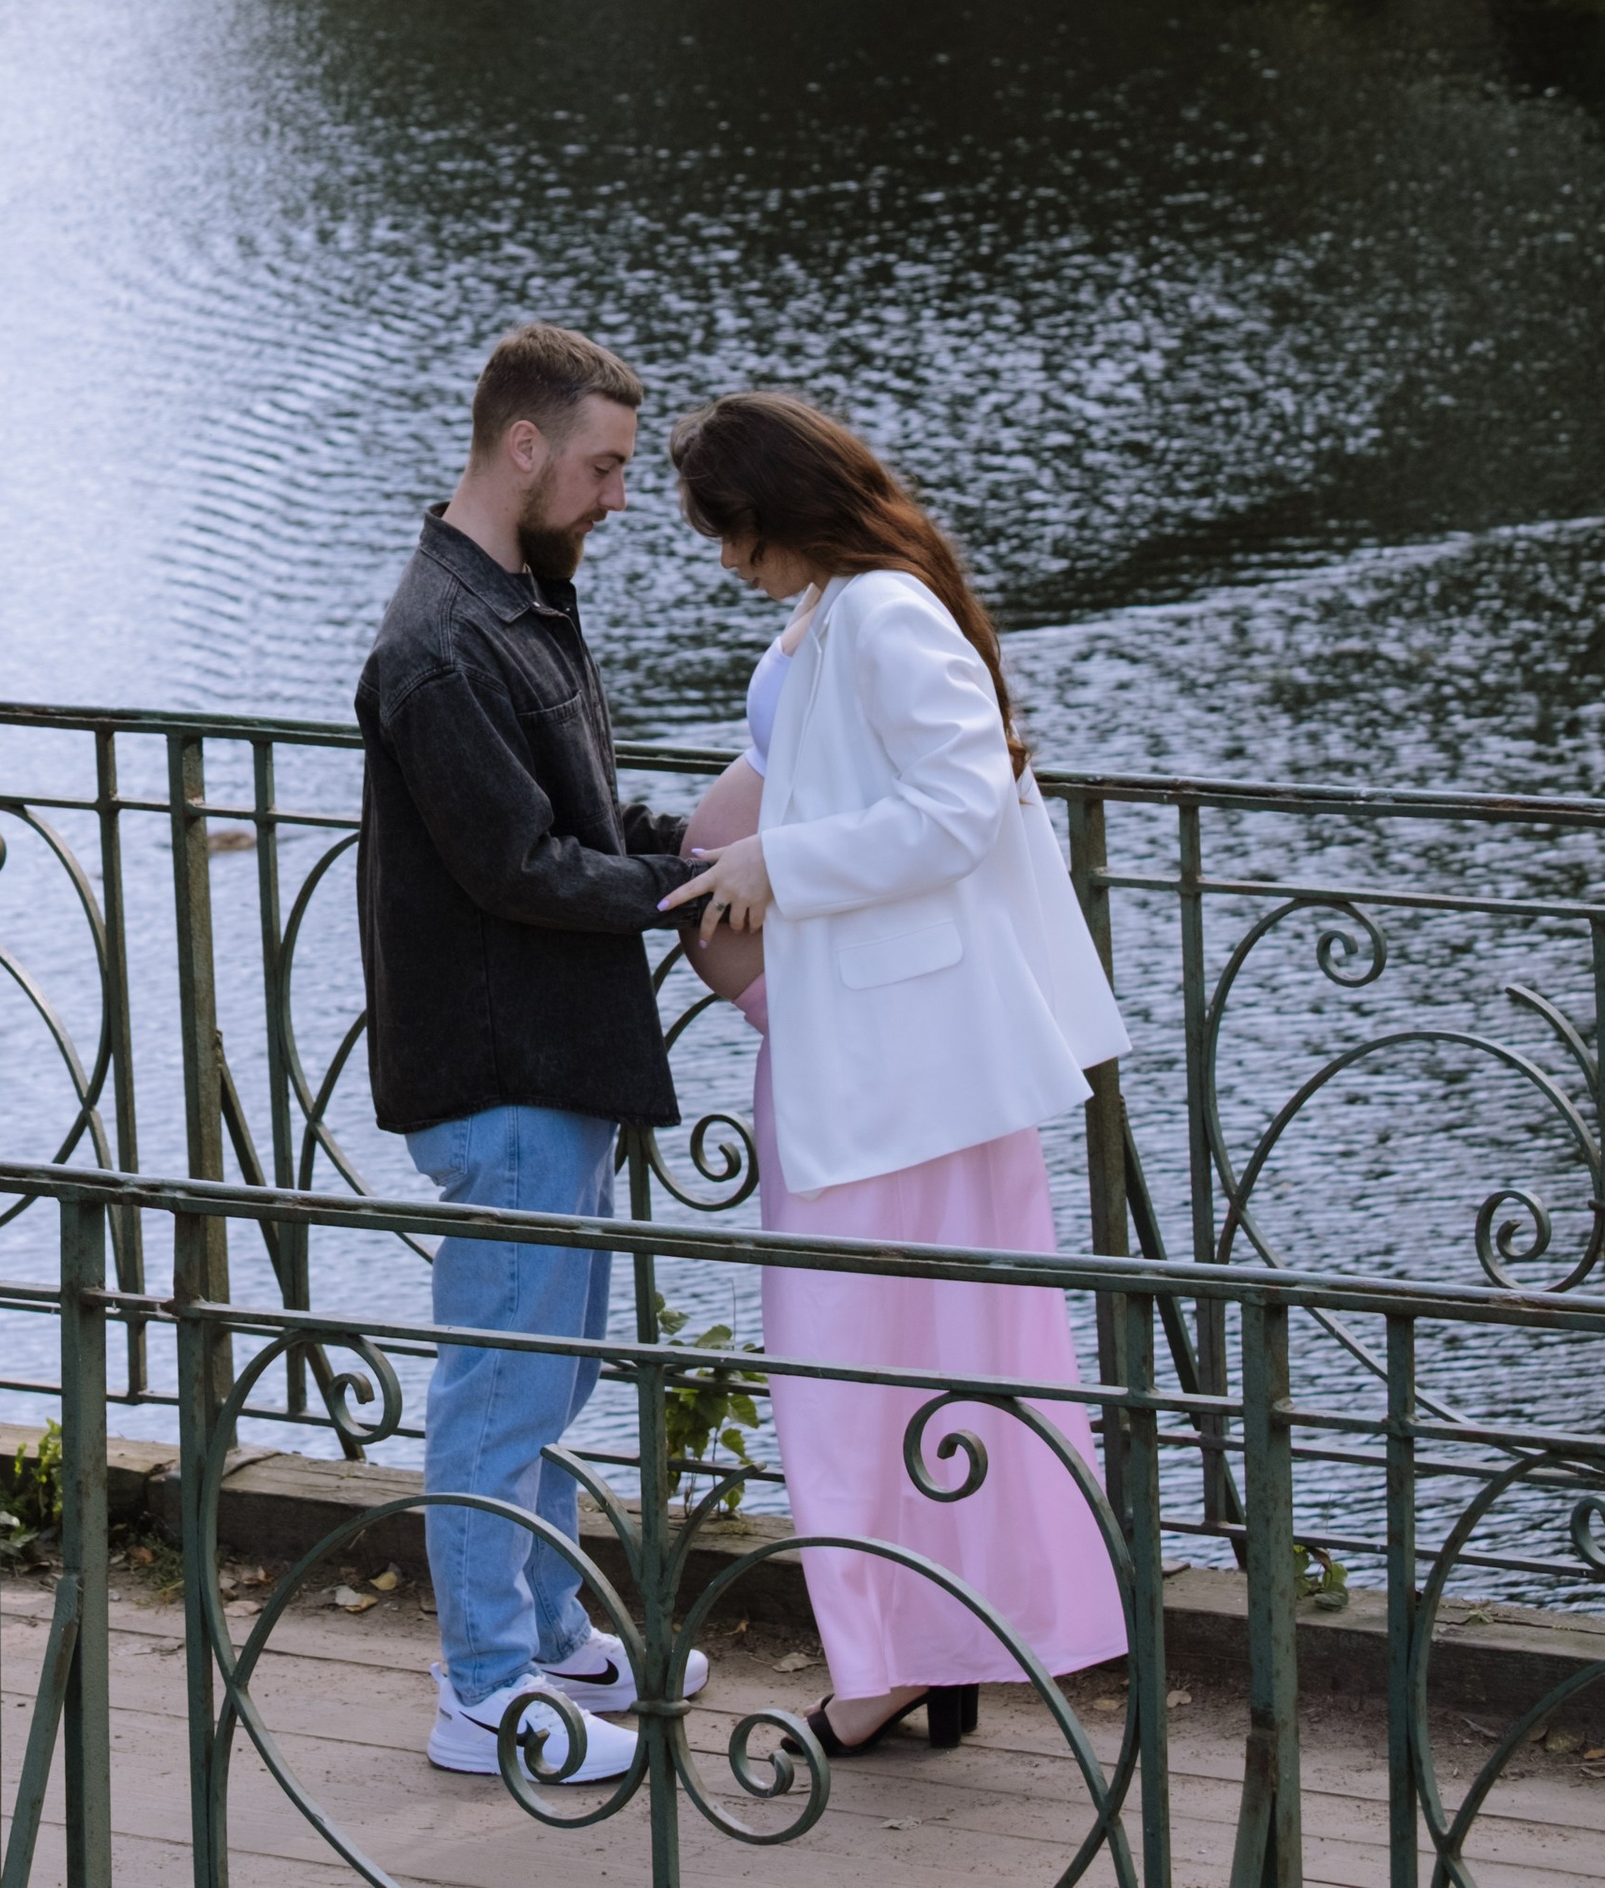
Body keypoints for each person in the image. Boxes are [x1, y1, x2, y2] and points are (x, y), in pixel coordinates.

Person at [661, 392, 1130, 1763]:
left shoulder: (881, 612)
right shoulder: (829, 613)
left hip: (898, 1076)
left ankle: (893, 1658)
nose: (724, 558)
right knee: (901, 1369)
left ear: (779, 508)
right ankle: (924, 1644)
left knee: (861, 1377)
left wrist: (773, 868)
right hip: (862, 1059)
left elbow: (958, 803)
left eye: (727, 529)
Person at [357, 322, 711, 1783]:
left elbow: (574, 816)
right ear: (523, 449)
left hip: (553, 1060)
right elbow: (516, 867)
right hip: (503, 1072)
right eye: (605, 467)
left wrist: (679, 844)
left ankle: (554, 1633)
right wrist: (688, 890)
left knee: (552, 1379)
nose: (619, 496)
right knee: (500, 1388)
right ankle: (484, 1693)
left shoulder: (517, 598)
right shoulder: (437, 647)